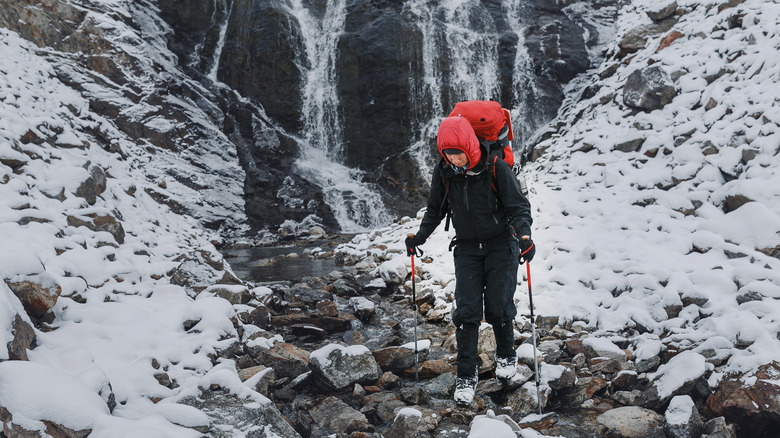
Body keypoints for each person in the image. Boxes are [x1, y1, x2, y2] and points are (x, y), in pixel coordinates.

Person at [405, 115, 535, 405]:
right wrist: (419, 237)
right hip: (466, 248)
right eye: (448, 154)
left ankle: (506, 355)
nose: (454, 160)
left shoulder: (496, 168)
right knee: (466, 311)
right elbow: (434, 209)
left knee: (500, 304)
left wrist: (524, 237)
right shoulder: (445, 172)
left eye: (458, 154)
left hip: (501, 244)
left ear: (470, 148)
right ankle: (466, 375)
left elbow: (518, 207)